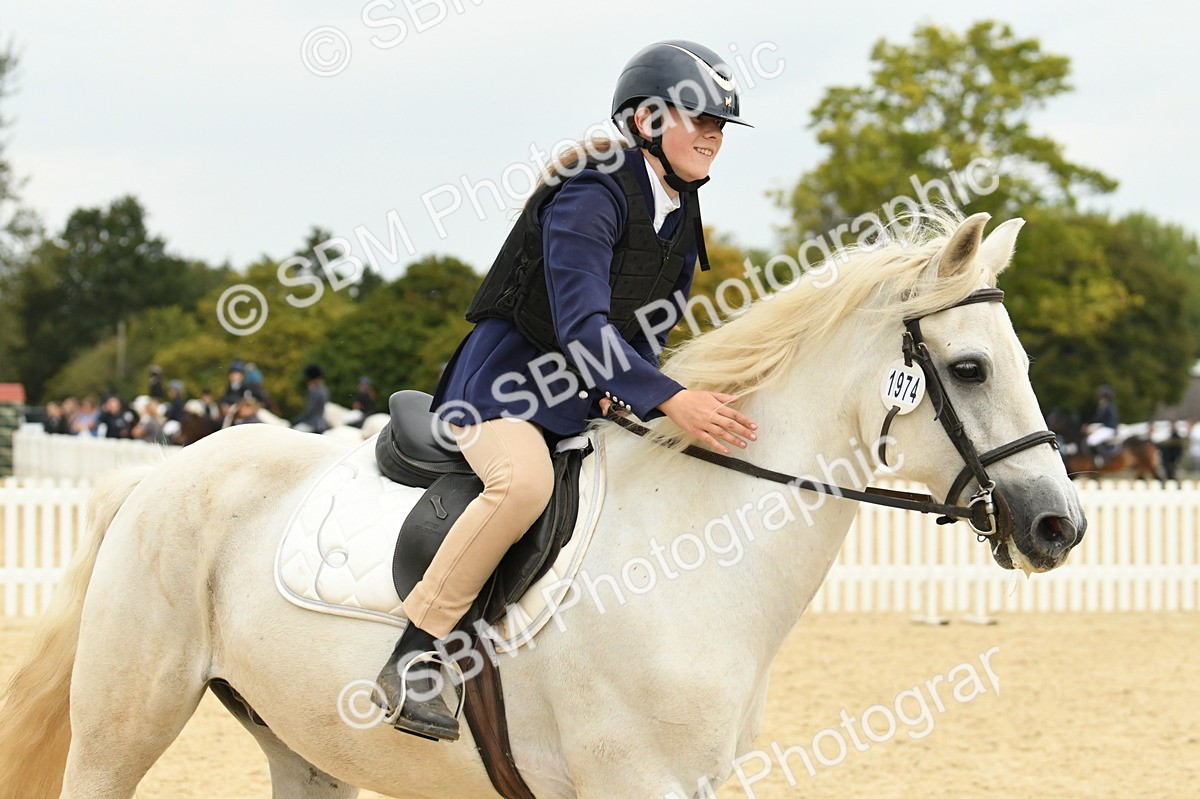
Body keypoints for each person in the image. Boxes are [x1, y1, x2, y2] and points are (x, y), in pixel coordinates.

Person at [373, 40, 759, 742]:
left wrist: (635, 391)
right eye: (697, 116)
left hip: (583, 395)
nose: (712, 135)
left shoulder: (681, 209)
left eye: (721, 125)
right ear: (647, 120)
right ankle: (417, 650)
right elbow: (581, 326)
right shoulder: (591, 193)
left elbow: (647, 328)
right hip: (503, 389)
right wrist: (668, 397)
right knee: (521, 485)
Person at [1084, 384, 1120, 464]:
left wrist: (1088, 424)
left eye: (1100, 395)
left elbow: (1099, 418)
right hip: (1108, 427)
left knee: (1091, 440)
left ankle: (1101, 458)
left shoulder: (1105, 406)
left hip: (1108, 429)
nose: (1099, 397)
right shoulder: (1109, 406)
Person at [291, 364, 329, 433]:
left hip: (311, 424)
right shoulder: (324, 390)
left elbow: (309, 410)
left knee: (292, 432)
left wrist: (297, 419)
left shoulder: (314, 392)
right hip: (322, 424)